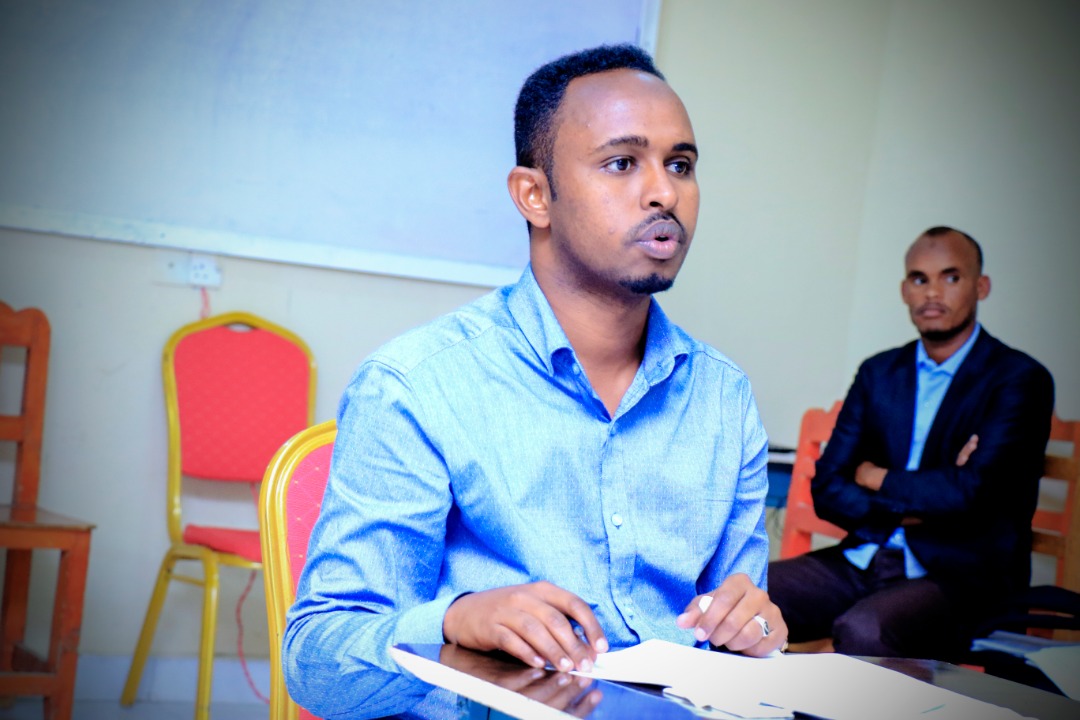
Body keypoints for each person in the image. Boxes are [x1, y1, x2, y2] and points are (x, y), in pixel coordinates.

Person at [283, 44, 787, 719]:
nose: (664, 192)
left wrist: (754, 631)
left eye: (680, 165)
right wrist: (455, 621)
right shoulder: (416, 387)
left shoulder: (724, 399)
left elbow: (734, 631)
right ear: (535, 195)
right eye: (621, 163)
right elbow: (317, 662)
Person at [768, 226, 1054, 659]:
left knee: (864, 630)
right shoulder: (879, 373)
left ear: (982, 286)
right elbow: (827, 485)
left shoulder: (1018, 380)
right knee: (738, 596)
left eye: (951, 277)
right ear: (905, 290)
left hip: (959, 577)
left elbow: (971, 495)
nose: (932, 292)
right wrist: (917, 505)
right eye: (920, 279)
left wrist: (873, 476)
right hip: (863, 557)